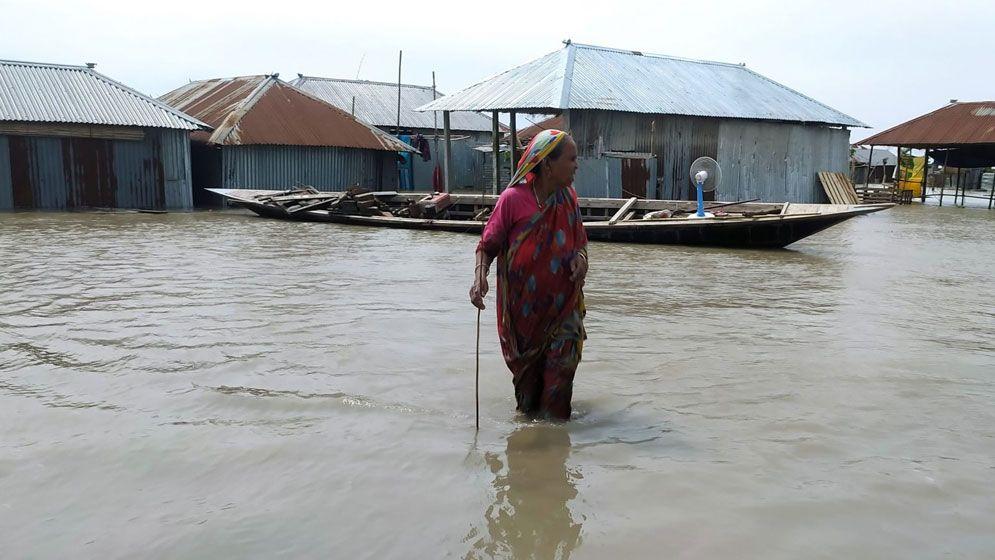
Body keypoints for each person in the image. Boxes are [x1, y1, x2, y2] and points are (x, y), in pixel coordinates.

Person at [469, 130, 588, 421]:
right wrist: (479, 277)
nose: (576, 166)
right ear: (547, 164)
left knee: (557, 405)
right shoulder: (512, 200)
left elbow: (580, 242)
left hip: (563, 312)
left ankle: (554, 454)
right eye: (571, 159)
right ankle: (529, 458)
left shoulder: (568, 199)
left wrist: (581, 259)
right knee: (528, 406)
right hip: (524, 321)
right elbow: (487, 245)